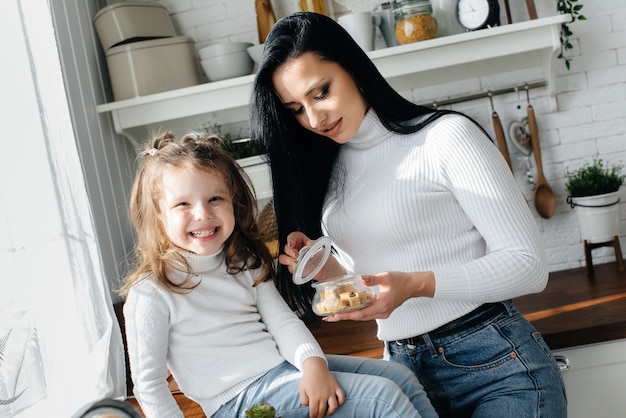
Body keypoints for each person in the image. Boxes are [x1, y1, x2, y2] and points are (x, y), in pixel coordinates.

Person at [249, 11, 568, 418]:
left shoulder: (445, 138)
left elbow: (529, 266)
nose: (314, 119)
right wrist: (324, 268)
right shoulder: (331, 169)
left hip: (496, 366)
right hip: (404, 368)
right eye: (295, 108)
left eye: (321, 92)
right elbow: (380, 270)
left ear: (352, 66)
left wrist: (414, 285)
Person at [118, 130, 438, 418]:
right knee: (383, 400)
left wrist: (313, 365)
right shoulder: (151, 292)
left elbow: (282, 323)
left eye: (215, 198)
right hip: (239, 404)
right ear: (158, 215)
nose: (202, 213)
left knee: (399, 378)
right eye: (183, 204)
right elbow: (148, 385)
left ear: (234, 202)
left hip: (280, 371)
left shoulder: (243, 263)